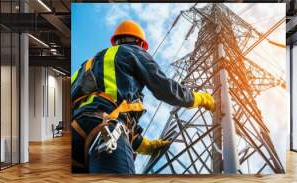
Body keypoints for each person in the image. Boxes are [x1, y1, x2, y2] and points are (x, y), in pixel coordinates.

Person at [71, 20, 215, 174]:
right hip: (106, 129)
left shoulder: (86, 65)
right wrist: (199, 99)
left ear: (117, 40)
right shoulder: (132, 52)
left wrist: (145, 145)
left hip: (74, 133)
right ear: (139, 42)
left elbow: (98, 107)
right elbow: (164, 88)